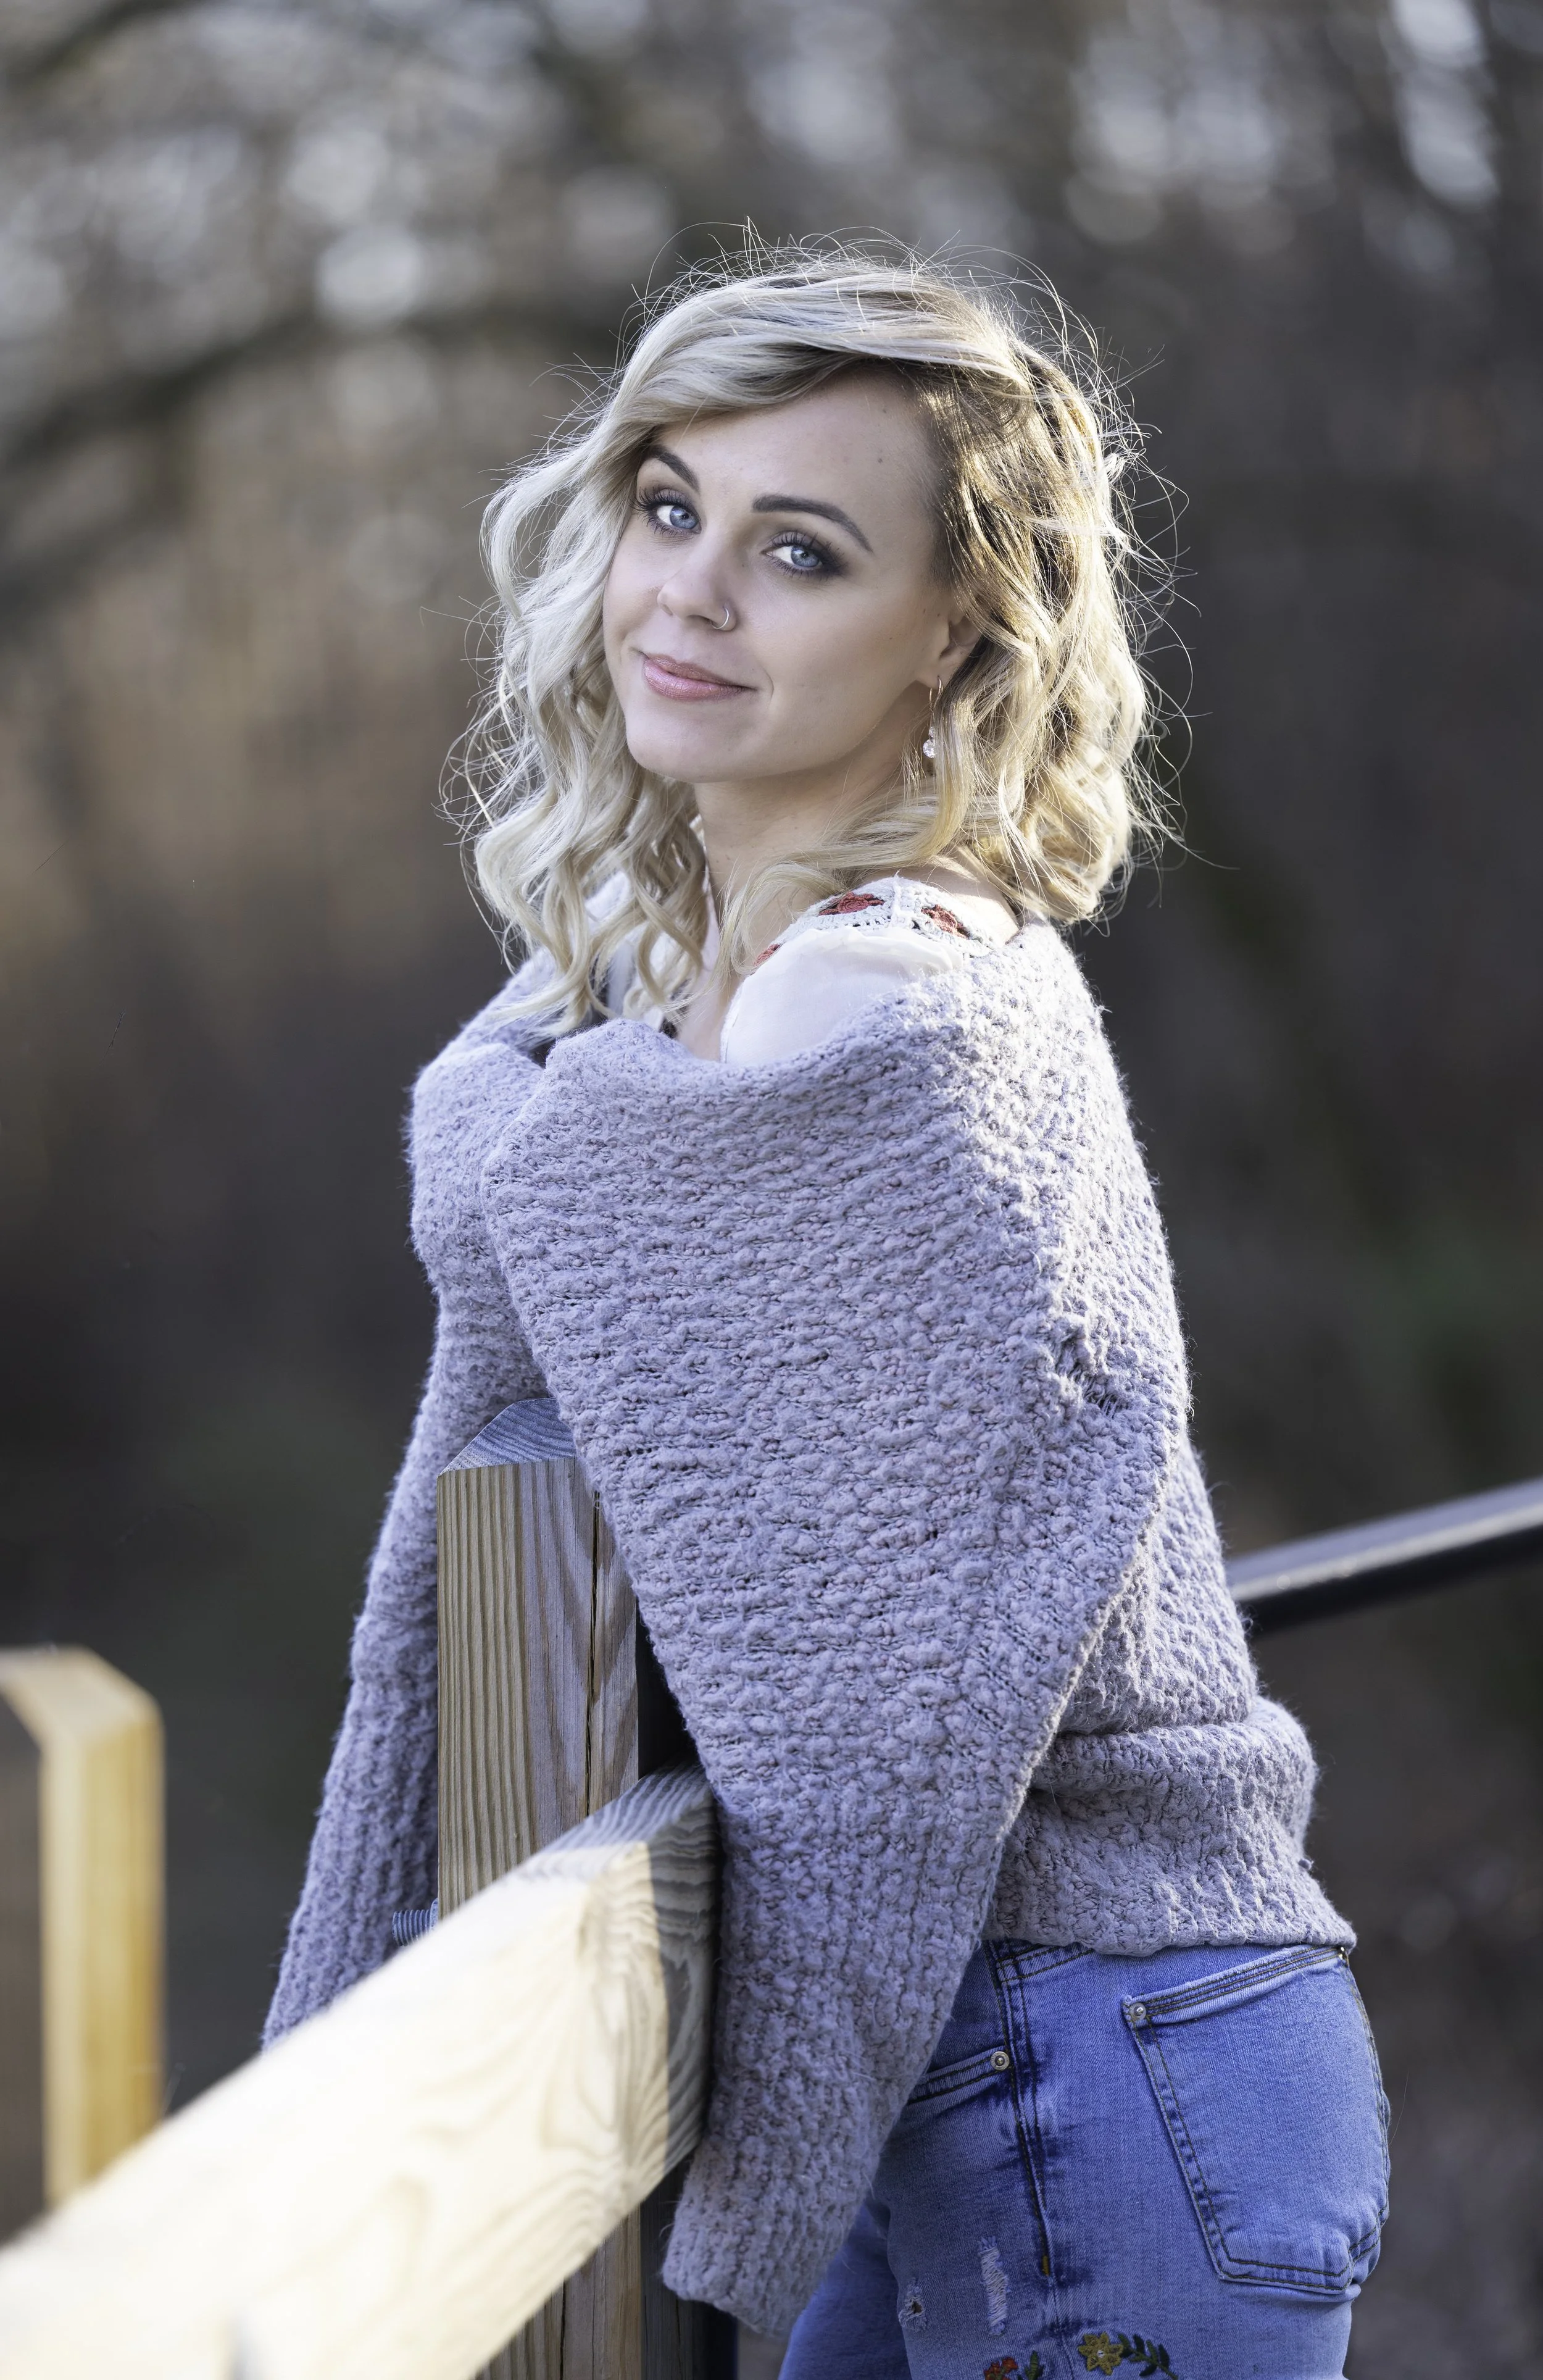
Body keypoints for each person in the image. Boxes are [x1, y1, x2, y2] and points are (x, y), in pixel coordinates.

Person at [265, 246, 1389, 2379]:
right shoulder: (702, 982)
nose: (687, 592)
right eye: (667, 504)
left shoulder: (867, 1002)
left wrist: (736, 2198)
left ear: (952, 627)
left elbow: (877, 1714)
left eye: (800, 552)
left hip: (1077, 2060)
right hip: (1046, 2051)